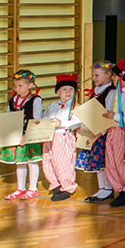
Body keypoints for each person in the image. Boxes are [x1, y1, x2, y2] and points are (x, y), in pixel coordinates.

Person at [0, 69, 43, 200]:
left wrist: (28, 134)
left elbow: (37, 119)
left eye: (20, 86)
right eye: (15, 86)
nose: (17, 88)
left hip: (29, 135)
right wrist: (1, 134)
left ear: (30, 85)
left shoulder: (35, 100)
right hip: (16, 136)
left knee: (32, 161)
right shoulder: (13, 100)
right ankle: (20, 188)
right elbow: (8, 118)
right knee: (19, 162)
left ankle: (33, 188)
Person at [78, 62, 116, 203]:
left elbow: (109, 114)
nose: (93, 78)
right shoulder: (96, 91)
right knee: (98, 163)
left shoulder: (111, 92)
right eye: (93, 75)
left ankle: (108, 189)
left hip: (103, 133)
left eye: (97, 75)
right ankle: (102, 188)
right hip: (94, 132)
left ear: (108, 75)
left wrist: (101, 132)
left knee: (105, 162)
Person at [104, 60, 125, 207]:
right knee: (110, 162)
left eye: (114, 76)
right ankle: (119, 188)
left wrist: (115, 116)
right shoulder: (112, 94)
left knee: (124, 163)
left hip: (123, 131)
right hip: (111, 131)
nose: (112, 78)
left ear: (122, 78)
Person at [42, 74, 82, 202]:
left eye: (71, 89)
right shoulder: (52, 106)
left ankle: (67, 187)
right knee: (48, 161)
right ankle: (55, 184)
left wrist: (62, 123)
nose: (68, 92)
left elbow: (78, 121)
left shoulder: (76, 106)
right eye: (64, 89)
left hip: (63, 136)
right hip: (50, 136)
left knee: (63, 163)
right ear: (58, 91)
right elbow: (45, 117)